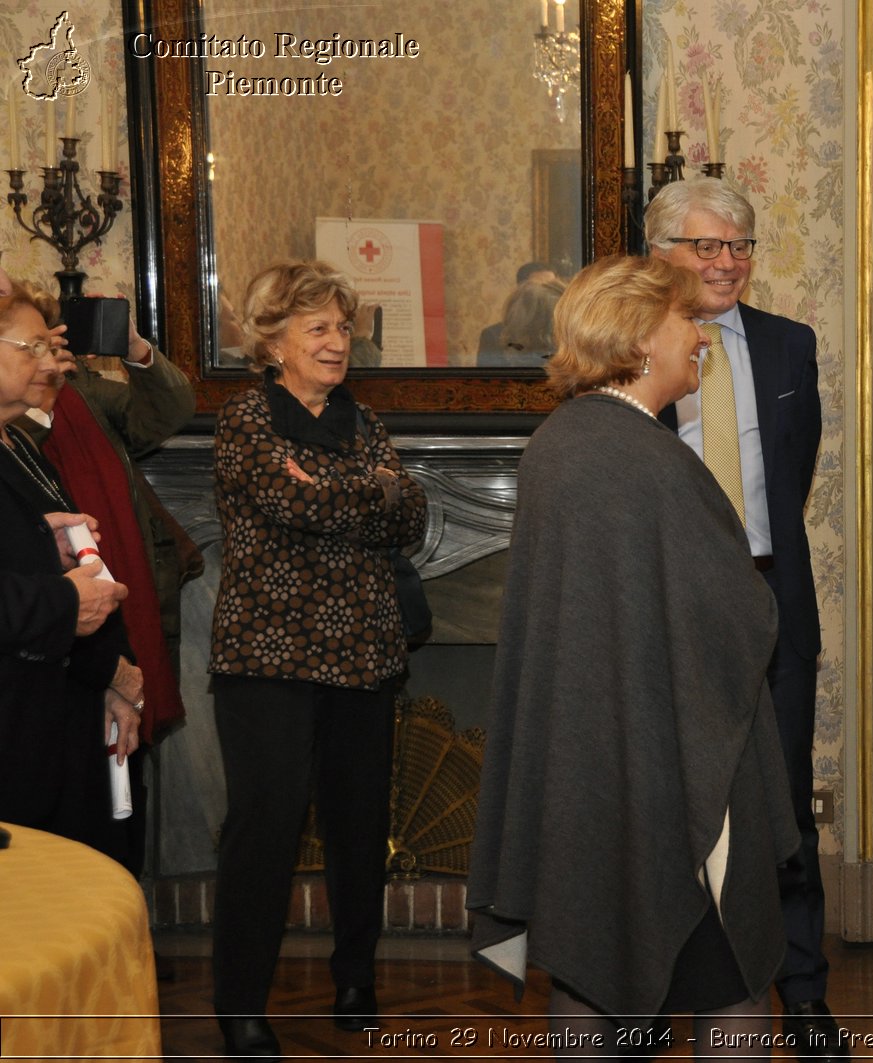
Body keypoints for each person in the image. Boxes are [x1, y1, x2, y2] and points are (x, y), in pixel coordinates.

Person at [467, 255, 799, 1057]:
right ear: (643, 337)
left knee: (592, 967)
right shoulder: (652, 461)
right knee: (728, 979)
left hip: (586, 780)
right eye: (688, 322)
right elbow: (740, 615)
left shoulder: (559, 443)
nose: (701, 341)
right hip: (674, 781)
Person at [208, 259, 427, 1059]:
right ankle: (240, 1003)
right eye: (319, 329)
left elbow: (413, 515)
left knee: (360, 826)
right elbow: (285, 499)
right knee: (262, 829)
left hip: (365, 653)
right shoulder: (244, 420)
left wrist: (348, 491)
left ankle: (355, 977)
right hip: (268, 656)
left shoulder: (362, 423)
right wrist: (366, 493)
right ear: (273, 341)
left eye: (344, 327)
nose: (339, 343)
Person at [643, 178, 837, 1059]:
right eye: (708, 246)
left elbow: (789, 482)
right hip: (668, 606)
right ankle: (650, 988)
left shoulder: (790, 347)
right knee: (663, 806)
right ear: (661, 256)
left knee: (783, 806)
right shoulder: (632, 349)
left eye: (741, 246)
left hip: (769, 600)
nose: (728, 263)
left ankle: (802, 990)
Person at [23, 289, 200, 891]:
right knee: (78, 792)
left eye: (51, 340)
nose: (46, 356)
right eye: (31, 346)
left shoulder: (90, 396)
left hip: (127, 608)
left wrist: (130, 348)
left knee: (130, 770)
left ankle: (125, 922)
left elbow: (170, 410)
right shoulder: (18, 426)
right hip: (59, 640)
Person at [0, 276, 141, 860]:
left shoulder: (17, 443)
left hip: (46, 717)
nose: (49, 360)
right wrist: (66, 604)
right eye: (30, 346)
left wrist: (113, 673)